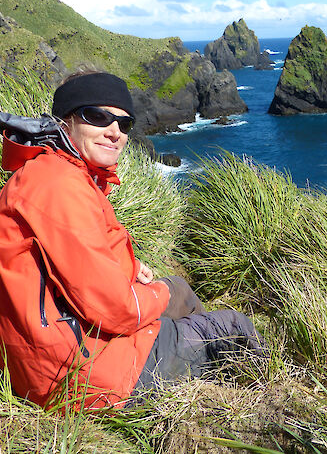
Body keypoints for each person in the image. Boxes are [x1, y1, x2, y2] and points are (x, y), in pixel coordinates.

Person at [0, 71, 265, 410]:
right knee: (235, 325)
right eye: (97, 116)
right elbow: (116, 309)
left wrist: (131, 270)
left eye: (124, 124)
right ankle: (256, 402)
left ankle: (188, 357)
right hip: (81, 375)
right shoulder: (58, 186)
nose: (114, 132)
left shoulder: (59, 172)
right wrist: (157, 293)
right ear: (65, 120)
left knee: (180, 289)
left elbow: (74, 266)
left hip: (58, 350)